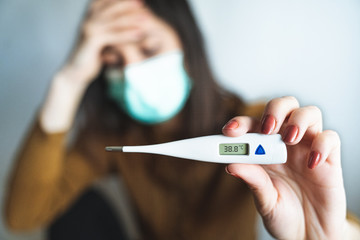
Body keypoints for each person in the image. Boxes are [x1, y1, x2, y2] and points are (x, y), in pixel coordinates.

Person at [5, 0, 360, 239]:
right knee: (80, 213)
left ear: (187, 47)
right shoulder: (108, 140)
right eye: (112, 61)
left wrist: (325, 232)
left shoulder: (259, 129)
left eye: (149, 49)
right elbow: (21, 216)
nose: (130, 71)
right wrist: (68, 80)